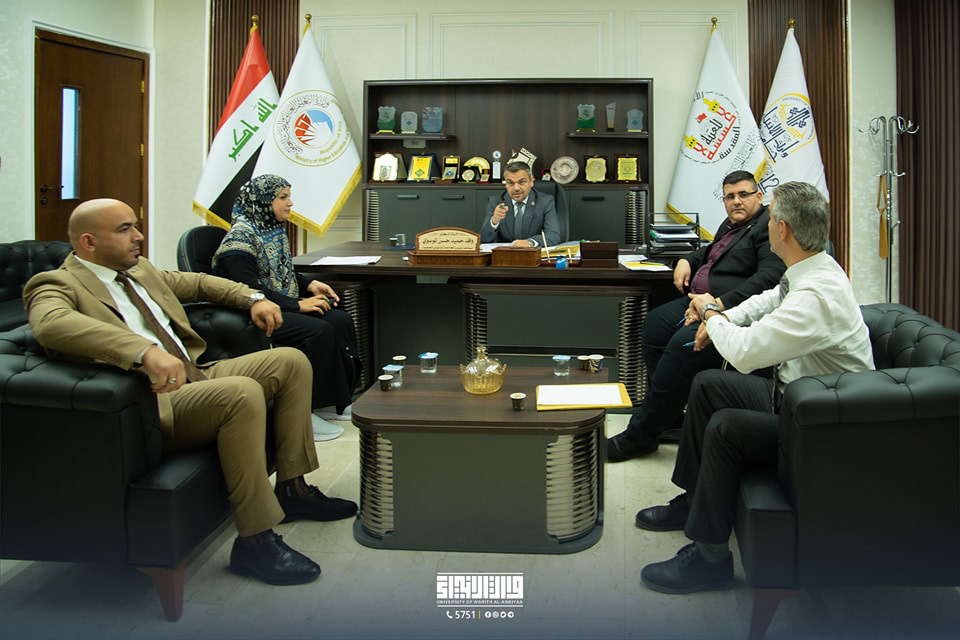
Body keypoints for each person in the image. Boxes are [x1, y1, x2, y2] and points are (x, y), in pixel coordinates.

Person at [23, 198, 358, 587]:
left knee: (290, 362)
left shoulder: (139, 270)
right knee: (242, 393)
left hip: (194, 373)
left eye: (136, 226)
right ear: (88, 242)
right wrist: (142, 352)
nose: (139, 236)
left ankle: (292, 490)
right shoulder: (55, 284)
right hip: (149, 400)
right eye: (125, 229)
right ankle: (254, 541)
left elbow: (199, 283)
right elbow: (53, 325)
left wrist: (254, 298)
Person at [634, 181, 875, 594]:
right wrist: (721, 312)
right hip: (799, 399)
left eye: (771, 218)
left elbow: (744, 353)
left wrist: (711, 317)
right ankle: (694, 501)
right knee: (707, 386)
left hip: (824, 426)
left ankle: (710, 559)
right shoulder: (813, 268)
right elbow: (769, 299)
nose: (766, 224)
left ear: (782, 229)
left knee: (726, 427)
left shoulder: (816, 295)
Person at [607, 170, 785, 462]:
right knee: (655, 324)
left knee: (682, 345)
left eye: (743, 194)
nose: (736, 201)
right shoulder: (731, 224)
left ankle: (640, 436)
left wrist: (717, 305)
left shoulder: (767, 227)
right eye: (730, 197)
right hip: (700, 301)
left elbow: (769, 278)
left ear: (758, 196)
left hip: (730, 310)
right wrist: (686, 260)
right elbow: (710, 253)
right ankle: (672, 416)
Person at [212, 175, 361, 441]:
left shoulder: (270, 229)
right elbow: (249, 289)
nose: (290, 203)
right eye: (282, 198)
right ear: (262, 202)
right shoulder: (239, 240)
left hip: (276, 305)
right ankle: (302, 413)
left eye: (288, 197)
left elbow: (281, 272)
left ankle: (331, 401)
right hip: (250, 315)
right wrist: (298, 305)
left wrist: (310, 284)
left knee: (339, 320)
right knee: (318, 330)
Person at [480, 161, 561, 247]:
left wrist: (530, 242)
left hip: (533, 253)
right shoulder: (496, 202)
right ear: (506, 184)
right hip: (505, 254)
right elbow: (484, 239)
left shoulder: (545, 201)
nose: (516, 188)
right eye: (510, 183)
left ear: (531, 181)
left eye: (521, 182)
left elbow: (554, 235)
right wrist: (494, 221)